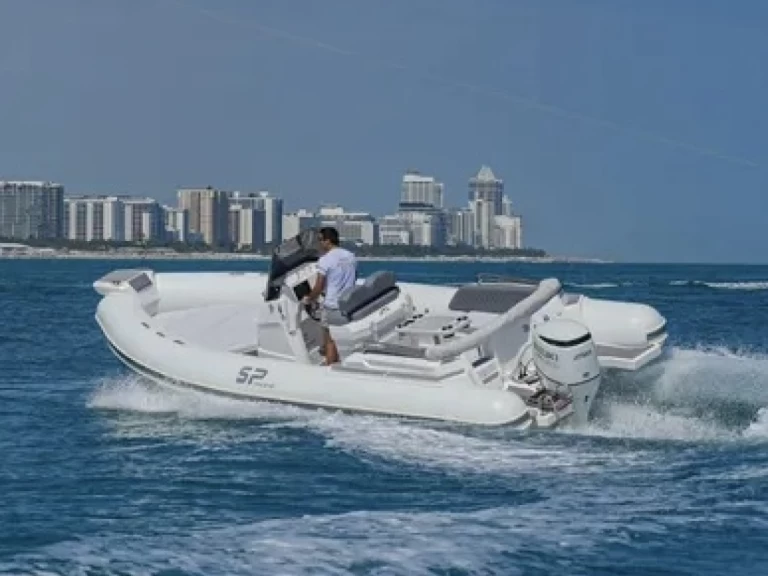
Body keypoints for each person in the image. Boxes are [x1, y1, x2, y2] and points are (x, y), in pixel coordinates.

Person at [302, 227, 357, 365]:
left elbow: (319, 286)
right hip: (348, 304)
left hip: (332, 305)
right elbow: (353, 278)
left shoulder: (325, 260)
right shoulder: (350, 256)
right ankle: (338, 362)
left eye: (320, 240)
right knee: (338, 337)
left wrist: (308, 299)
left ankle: (330, 368)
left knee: (329, 340)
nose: (319, 244)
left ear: (328, 241)